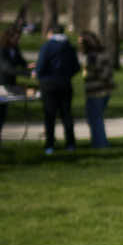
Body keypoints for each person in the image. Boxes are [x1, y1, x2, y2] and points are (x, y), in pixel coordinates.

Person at [33, 23, 81, 153]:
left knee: (50, 115)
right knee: (66, 114)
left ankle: (50, 145)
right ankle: (70, 144)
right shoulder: (69, 47)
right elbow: (76, 67)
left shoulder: (47, 46)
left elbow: (41, 65)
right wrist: (66, 75)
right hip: (65, 83)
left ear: (51, 33)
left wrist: (37, 74)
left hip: (48, 84)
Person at [80, 32, 114, 149]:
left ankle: (100, 144)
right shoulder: (102, 54)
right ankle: (97, 142)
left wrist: (90, 72)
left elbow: (103, 73)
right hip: (101, 91)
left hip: (97, 91)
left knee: (95, 119)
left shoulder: (94, 57)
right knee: (93, 118)